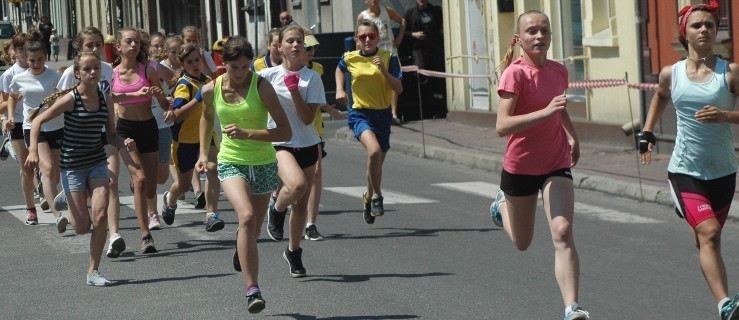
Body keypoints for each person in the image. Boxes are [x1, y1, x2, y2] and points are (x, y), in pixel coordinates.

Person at [639, 1, 739, 319]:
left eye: (710, 25)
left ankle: (722, 295)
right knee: (708, 233)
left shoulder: (731, 73)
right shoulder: (673, 73)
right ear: (685, 33)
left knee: (707, 239)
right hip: (685, 169)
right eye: (697, 25)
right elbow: (660, 96)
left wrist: (726, 115)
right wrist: (647, 132)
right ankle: (725, 305)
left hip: (723, 170)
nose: (705, 30)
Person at [487, 10, 588, 320]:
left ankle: (571, 307)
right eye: (532, 31)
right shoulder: (514, 74)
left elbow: (558, 109)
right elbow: (502, 125)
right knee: (522, 242)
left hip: (555, 161)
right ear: (520, 39)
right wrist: (546, 113)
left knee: (563, 230)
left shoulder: (558, 71)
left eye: (544, 30)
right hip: (520, 166)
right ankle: (501, 205)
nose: (539, 36)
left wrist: (573, 136)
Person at [195, 35, 291, 313]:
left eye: (246, 66)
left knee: (253, 228)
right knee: (246, 216)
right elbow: (205, 117)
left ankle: (242, 244)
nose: (240, 73)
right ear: (223, 64)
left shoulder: (262, 87)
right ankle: (253, 291)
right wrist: (203, 153)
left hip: (262, 162)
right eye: (234, 67)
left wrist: (250, 133)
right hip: (231, 161)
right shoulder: (211, 89)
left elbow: (285, 131)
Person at [26, 52, 135, 286]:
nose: (93, 72)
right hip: (72, 166)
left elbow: (112, 136)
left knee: (101, 214)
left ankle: (93, 272)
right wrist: (33, 150)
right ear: (77, 74)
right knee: (82, 227)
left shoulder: (106, 99)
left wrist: (123, 142)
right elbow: (36, 122)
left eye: (96, 68)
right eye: (87, 69)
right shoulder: (71, 99)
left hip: (96, 162)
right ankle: (65, 196)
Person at [55, 26, 128, 258]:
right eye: (90, 45)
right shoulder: (72, 73)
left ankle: (114, 234)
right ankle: (71, 200)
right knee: (82, 222)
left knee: (112, 183)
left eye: (98, 44)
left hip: (106, 135)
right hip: (80, 142)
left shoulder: (108, 70)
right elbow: (60, 104)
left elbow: (114, 96)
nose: (96, 49)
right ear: (80, 48)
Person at [260, 25, 325, 279]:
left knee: (300, 206)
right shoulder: (266, 75)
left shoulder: (313, 78)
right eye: (290, 41)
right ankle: (276, 208)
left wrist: (295, 90)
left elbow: (308, 118)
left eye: (300, 41)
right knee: (297, 186)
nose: (295, 45)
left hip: (307, 143)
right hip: (280, 142)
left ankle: (293, 251)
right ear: (279, 47)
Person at [111, 27, 172, 254]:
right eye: (128, 42)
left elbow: (166, 105)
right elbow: (109, 100)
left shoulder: (148, 70)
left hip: (148, 127)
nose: (133, 46)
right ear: (119, 47)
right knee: (141, 179)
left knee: (150, 185)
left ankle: (139, 185)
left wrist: (161, 97)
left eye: (136, 42)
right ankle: (145, 235)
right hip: (125, 130)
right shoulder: (112, 73)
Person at [335, 20, 403, 224]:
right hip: (360, 113)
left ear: (377, 38)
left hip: (382, 115)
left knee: (376, 163)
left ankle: (368, 197)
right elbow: (340, 69)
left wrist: (383, 70)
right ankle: (377, 196)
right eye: (362, 37)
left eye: (371, 36)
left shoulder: (388, 57)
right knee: (373, 151)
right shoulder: (350, 58)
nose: (367, 40)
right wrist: (340, 88)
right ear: (356, 39)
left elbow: (398, 88)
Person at [7, 30, 66, 230]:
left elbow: (65, 95)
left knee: (54, 172)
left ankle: (44, 186)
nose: (36, 64)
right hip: (32, 127)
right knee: (46, 168)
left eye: (40, 60)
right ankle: (53, 214)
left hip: (57, 126)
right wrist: (9, 117)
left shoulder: (55, 76)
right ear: (26, 59)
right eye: (32, 60)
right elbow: (12, 97)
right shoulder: (19, 78)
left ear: (45, 58)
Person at [161, 42, 223, 232]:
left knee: (212, 170)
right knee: (183, 184)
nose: (195, 64)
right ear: (182, 64)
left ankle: (211, 215)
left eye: (198, 60)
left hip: (207, 136)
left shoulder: (207, 82)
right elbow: (177, 114)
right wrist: (198, 99)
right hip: (185, 141)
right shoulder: (184, 85)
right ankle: (169, 200)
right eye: (190, 62)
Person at [301, 30, 344, 240]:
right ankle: (278, 204)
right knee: (294, 180)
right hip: (291, 130)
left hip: (314, 128)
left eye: (313, 48)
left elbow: (317, 98)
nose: (311, 52)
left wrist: (330, 109)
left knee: (316, 172)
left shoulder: (317, 69)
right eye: (307, 48)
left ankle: (311, 224)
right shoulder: (283, 71)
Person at [1, 32, 36, 226]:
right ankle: (30, 208)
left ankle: (44, 189)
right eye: (21, 49)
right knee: (26, 167)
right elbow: (1, 106)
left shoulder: (40, 68)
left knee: (45, 165)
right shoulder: (9, 75)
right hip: (18, 123)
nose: (24, 53)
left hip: (38, 120)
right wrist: (10, 108)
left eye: (27, 48)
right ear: (15, 51)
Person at [357, 0, 406, 124]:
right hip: (373, 52)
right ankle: (378, 112)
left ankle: (393, 113)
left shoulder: (387, 10)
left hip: (389, 49)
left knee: (394, 80)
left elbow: (403, 21)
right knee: (376, 80)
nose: (373, 1)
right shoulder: (362, 16)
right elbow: (358, 37)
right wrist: (359, 56)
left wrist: (399, 38)